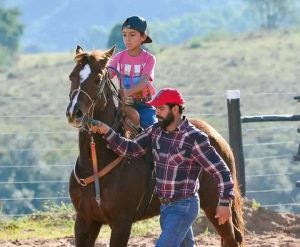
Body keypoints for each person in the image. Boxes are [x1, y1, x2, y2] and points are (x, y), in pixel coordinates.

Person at [91, 88, 235, 247]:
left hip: (184, 206)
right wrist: (107, 132)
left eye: (161, 109)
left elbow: (221, 170)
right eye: (155, 108)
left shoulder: (194, 138)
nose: (156, 113)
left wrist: (224, 202)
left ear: (175, 109)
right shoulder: (155, 131)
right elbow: (130, 149)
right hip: (165, 208)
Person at [108, 15, 157, 129]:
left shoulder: (149, 58)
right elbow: (107, 75)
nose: (127, 39)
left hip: (144, 105)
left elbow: (144, 81)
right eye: (124, 35)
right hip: (123, 104)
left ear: (143, 37)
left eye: (132, 35)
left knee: (153, 129)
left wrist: (127, 92)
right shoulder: (117, 58)